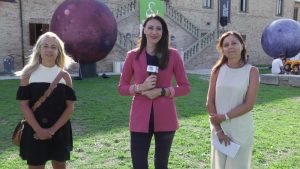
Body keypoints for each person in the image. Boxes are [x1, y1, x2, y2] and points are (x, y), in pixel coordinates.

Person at [118, 14, 190, 169]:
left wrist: (162, 91)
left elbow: (185, 87)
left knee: (161, 164)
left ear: (164, 32)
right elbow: (121, 88)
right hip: (140, 118)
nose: (154, 32)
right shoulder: (133, 56)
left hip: (166, 117)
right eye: (150, 27)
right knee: (139, 164)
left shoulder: (173, 55)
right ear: (144, 30)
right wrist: (139, 88)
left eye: (159, 28)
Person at [16, 32, 76, 169]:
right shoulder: (28, 73)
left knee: (60, 165)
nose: (49, 50)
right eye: (45, 46)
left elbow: (70, 107)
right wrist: (40, 130)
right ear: (39, 49)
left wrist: (52, 130)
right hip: (34, 130)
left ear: (59, 51)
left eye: (54, 47)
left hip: (60, 130)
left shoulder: (65, 76)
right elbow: (24, 105)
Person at [206, 31, 259, 169]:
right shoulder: (217, 70)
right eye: (226, 44)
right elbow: (210, 101)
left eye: (234, 43)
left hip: (241, 129)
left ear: (242, 45)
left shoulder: (252, 71)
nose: (230, 47)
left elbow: (249, 104)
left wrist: (224, 116)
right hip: (219, 128)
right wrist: (218, 130)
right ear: (222, 49)